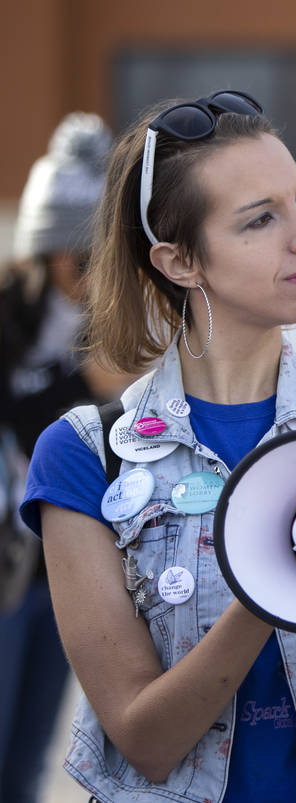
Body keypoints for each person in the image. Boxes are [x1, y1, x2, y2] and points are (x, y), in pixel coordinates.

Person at [19, 90, 296, 803]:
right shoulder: (83, 456)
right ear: (181, 260)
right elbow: (145, 742)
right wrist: (271, 583)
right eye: (260, 219)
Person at [0, 112, 129, 803]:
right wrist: (81, 386)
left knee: (29, 761)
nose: (91, 274)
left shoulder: (113, 328)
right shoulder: (6, 321)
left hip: (68, 566)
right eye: (83, 258)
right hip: (3, 566)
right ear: (46, 253)